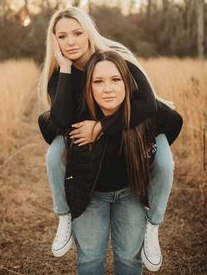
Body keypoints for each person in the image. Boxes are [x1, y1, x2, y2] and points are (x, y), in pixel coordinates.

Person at [38, 7, 182, 271]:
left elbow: (148, 104)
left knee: (163, 162)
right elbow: (60, 122)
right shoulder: (62, 76)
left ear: (88, 33)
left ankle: (154, 225)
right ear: (54, 41)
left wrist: (101, 127)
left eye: (77, 33)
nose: (70, 41)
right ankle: (64, 216)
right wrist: (66, 68)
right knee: (55, 153)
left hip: (145, 120)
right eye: (62, 36)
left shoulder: (117, 59)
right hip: (93, 162)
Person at [61, 50, 181, 274]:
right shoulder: (77, 114)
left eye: (116, 79)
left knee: (128, 259)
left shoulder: (146, 113)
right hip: (90, 195)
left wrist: (153, 148)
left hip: (130, 194)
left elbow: (175, 123)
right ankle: (63, 218)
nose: (108, 89)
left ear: (127, 83)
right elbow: (46, 122)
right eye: (98, 81)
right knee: (90, 259)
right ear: (88, 86)